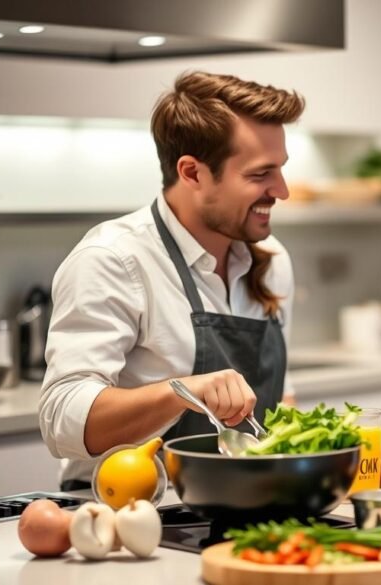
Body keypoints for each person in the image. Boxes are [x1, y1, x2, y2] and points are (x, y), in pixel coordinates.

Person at [39, 71, 303, 489]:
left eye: (281, 170)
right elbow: (62, 419)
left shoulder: (271, 259)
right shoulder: (114, 260)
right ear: (193, 172)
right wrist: (181, 392)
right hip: (128, 520)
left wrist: (329, 450)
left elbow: (279, 403)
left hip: (248, 510)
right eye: (260, 175)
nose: (283, 190)